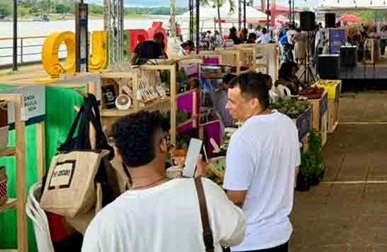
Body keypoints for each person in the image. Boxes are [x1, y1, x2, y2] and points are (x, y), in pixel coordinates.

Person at [82, 111, 246, 251]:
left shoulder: (103, 224)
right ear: (163, 145)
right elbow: (236, 234)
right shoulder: (204, 194)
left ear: (118, 154)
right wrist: (201, 185)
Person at [224, 73, 301, 252]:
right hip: (280, 235)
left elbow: (236, 199)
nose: (227, 106)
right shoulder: (286, 123)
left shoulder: (242, 138)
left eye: (233, 101)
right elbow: (294, 172)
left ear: (254, 102)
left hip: (250, 241)